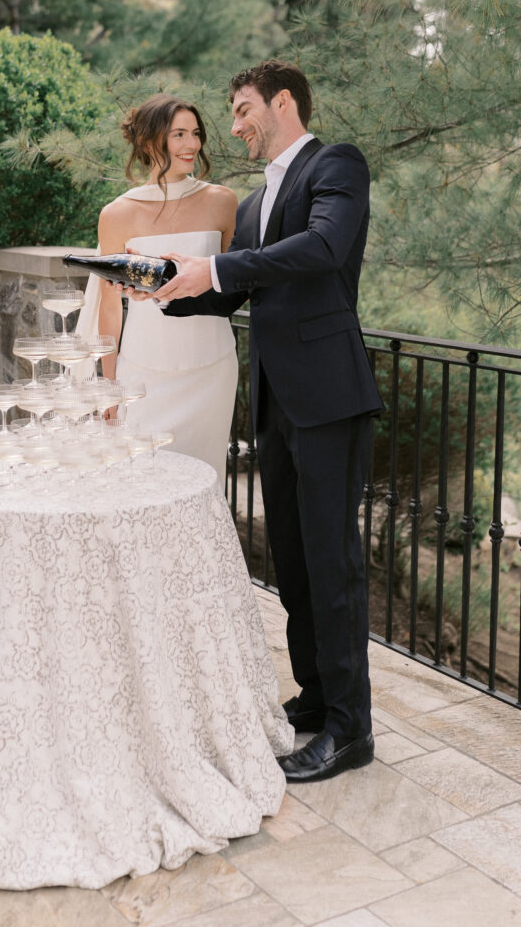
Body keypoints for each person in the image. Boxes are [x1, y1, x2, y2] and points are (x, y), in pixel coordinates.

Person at [142, 60, 384, 783]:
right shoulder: (252, 205)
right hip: (276, 404)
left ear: (283, 103)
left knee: (334, 565)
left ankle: (350, 730)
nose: (236, 124)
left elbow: (322, 249)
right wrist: (158, 289)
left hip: (331, 398)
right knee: (296, 563)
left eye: (244, 109)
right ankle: (316, 697)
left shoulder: (335, 166)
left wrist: (216, 270)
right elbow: (233, 290)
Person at [90, 93, 239, 487]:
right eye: (178, 135)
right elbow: (109, 306)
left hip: (212, 368)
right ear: (148, 142)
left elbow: (233, 286)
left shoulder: (223, 202)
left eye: (195, 133)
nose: (192, 144)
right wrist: (108, 386)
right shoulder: (117, 213)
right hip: (143, 375)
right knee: (141, 486)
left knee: (205, 484)